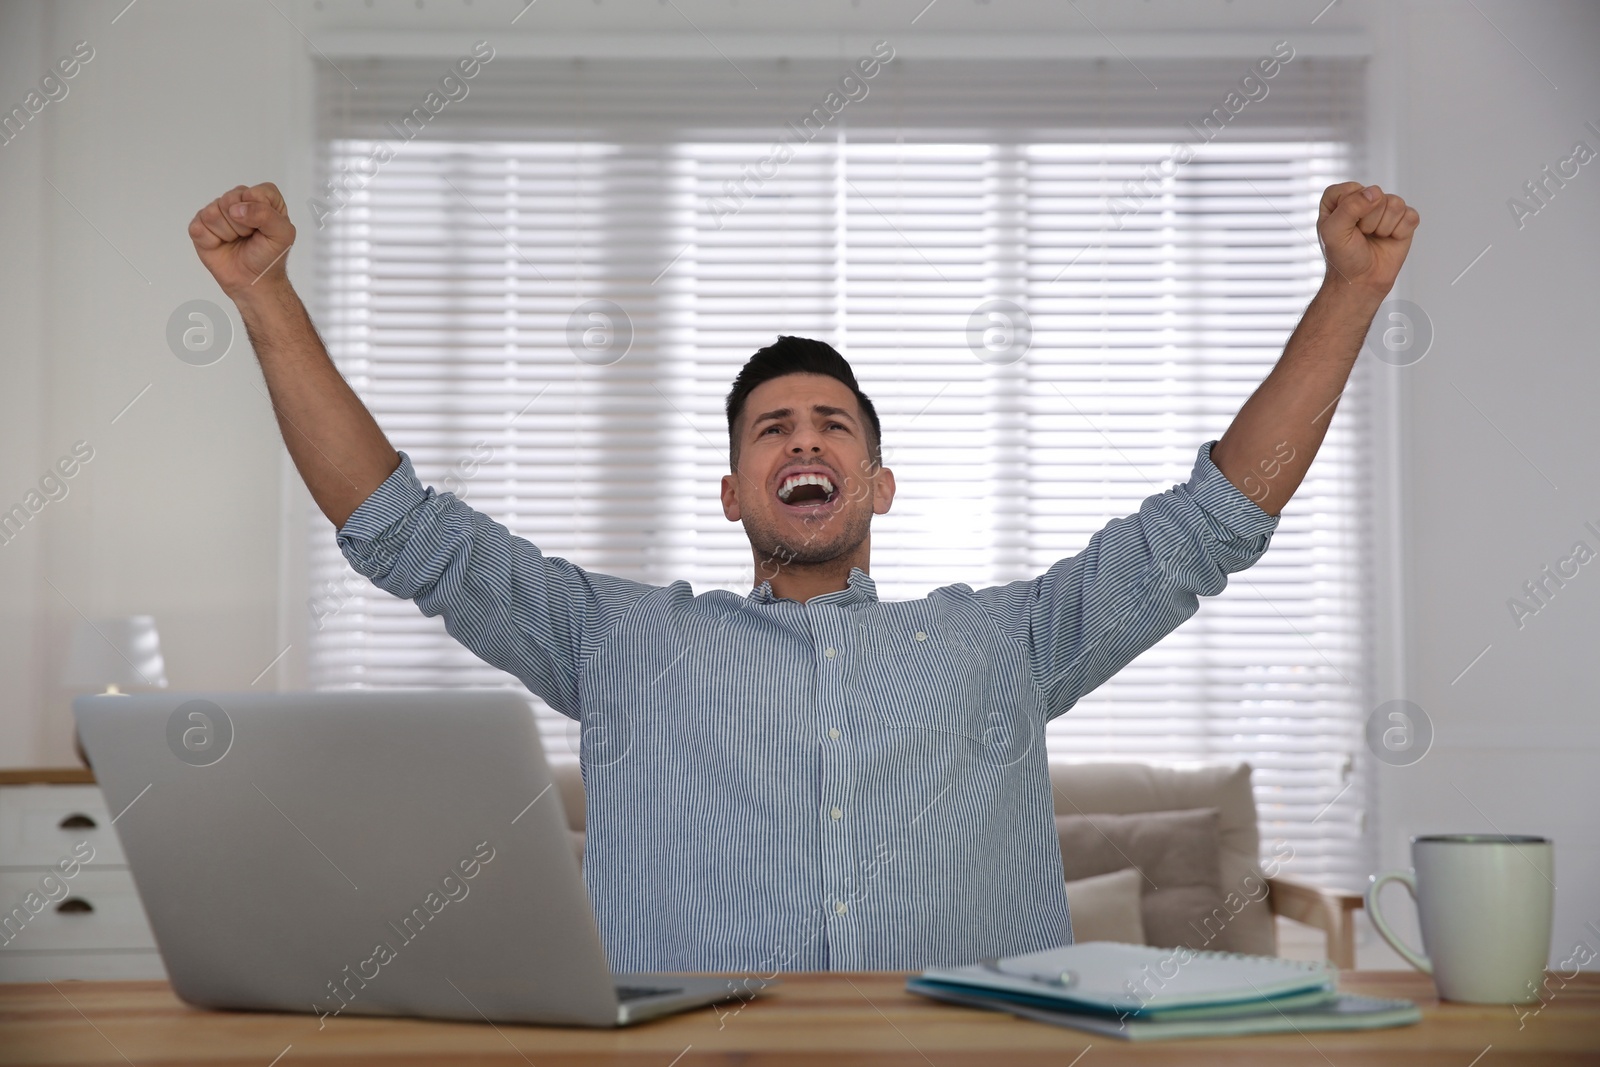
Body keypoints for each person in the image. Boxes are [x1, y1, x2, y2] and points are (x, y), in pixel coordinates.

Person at [188, 179, 1419, 973]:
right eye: (771, 428)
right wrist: (264, 295)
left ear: (879, 483)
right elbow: (406, 529)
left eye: (834, 423)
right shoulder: (617, 639)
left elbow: (1209, 523)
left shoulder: (1009, 639)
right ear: (732, 492)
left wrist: (1350, 293)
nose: (804, 438)